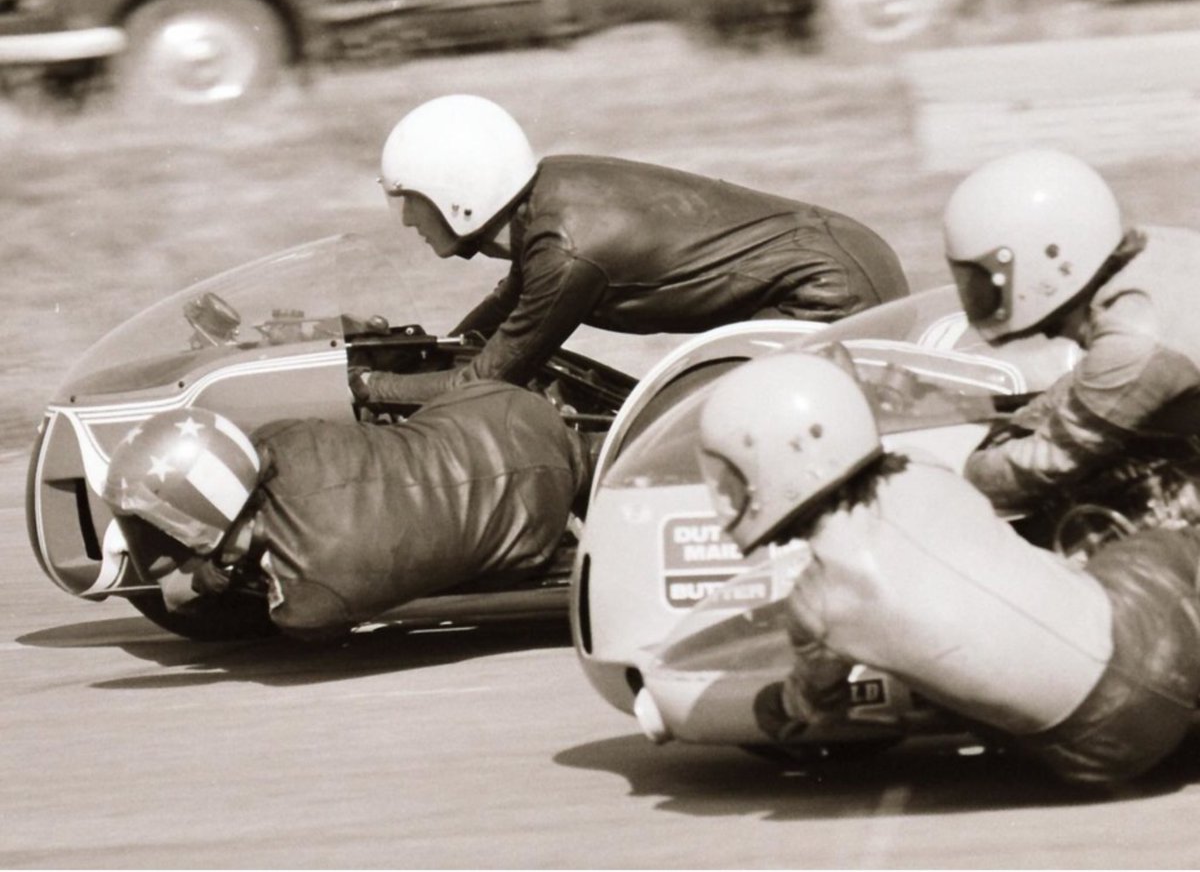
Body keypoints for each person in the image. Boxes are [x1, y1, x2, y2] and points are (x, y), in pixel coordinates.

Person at [696, 351, 1200, 785]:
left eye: (733, 479)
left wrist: (782, 707)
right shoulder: (920, 470)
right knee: (1165, 546)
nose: (729, 496)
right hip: (1154, 643)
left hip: (1090, 756)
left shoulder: (812, 610)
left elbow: (813, 705)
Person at [353, 94, 910, 406]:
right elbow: (503, 311)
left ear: (459, 195)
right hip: (845, 259)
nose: (407, 221)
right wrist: (434, 349)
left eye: (412, 201)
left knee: (690, 436)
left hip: (831, 296)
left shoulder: (567, 249)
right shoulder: (548, 200)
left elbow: (486, 382)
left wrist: (369, 387)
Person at [102, 380, 592, 641]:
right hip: (505, 410)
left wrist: (213, 571)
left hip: (532, 527)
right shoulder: (284, 436)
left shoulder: (307, 603)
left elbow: (183, 596)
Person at [942, 147, 1200, 513]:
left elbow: (1049, 461)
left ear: (1047, 257)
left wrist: (945, 473)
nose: (977, 292)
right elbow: (1083, 389)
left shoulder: (1136, 338)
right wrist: (1014, 422)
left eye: (982, 281)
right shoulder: (1153, 253)